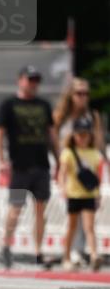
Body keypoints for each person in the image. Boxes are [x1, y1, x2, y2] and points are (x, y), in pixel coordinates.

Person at [0, 65, 60, 268]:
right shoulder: (8, 104)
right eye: (30, 79)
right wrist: (1, 159)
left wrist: (59, 159)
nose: (33, 84)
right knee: (16, 208)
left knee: (41, 209)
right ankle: (5, 246)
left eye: (36, 80)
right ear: (20, 80)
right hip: (19, 166)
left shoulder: (44, 105)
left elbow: (51, 133)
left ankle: (38, 252)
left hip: (41, 165)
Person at [53, 76, 106, 265]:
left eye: (86, 93)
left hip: (85, 168)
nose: (83, 97)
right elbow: (54, 141)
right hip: (65, 166)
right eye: (79, 93)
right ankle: (69, 252)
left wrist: (100, 163)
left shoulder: (92, 117)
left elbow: (98, 143)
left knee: (87, 218)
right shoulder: (61, 116)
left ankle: (80, 251)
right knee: (69, 215)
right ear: (70, 95)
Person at [58, 115, 104, 271]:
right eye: (80, 134)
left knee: (89, 227)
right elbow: (62, 173)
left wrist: (98, 194)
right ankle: (66, 256)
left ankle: (94, 255)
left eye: (85, 134)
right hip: (73, 194)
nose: (83, 138)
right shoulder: (69, 153)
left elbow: (97, 177)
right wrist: (62, 188)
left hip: (89, 195)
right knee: (71, 227)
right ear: (74, 136)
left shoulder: (94, 153)